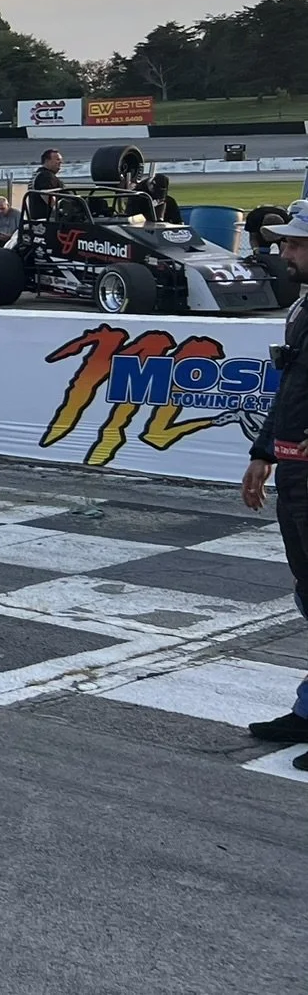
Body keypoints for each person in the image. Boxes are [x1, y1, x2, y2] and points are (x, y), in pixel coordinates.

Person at [242, 200, 308, 769]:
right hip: (296, 473)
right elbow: (291, 388)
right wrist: (264, 453)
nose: (283, 251)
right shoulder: (303, 303)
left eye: (295, 244)